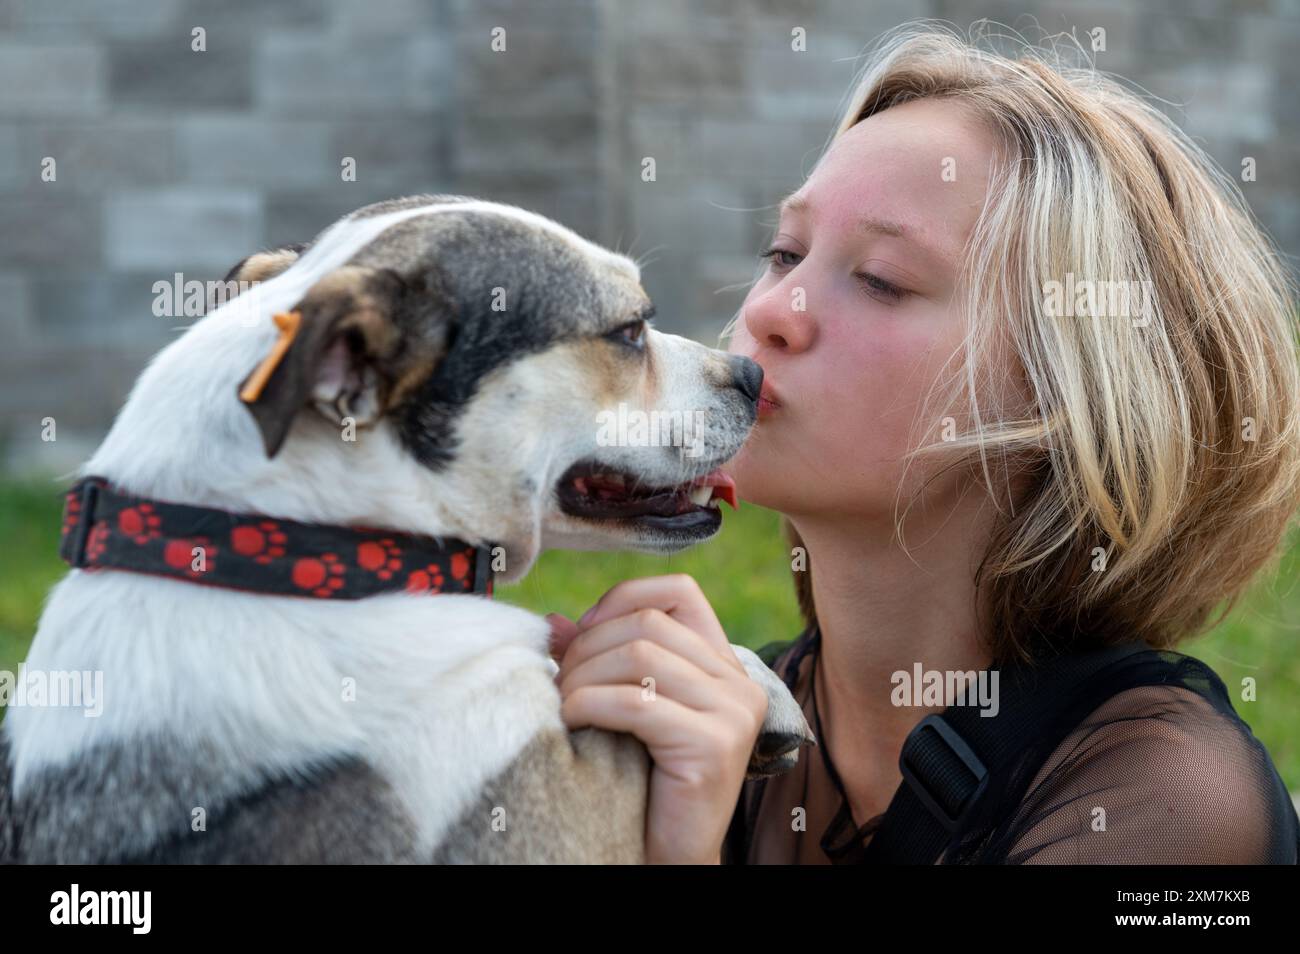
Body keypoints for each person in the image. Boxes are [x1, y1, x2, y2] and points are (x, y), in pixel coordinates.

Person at [546, 24, 1300, 864]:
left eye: (880, 279)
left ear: (1072, 395)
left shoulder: (1163, 805)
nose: (769, 311)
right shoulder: (705, 716)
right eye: (784, 252)